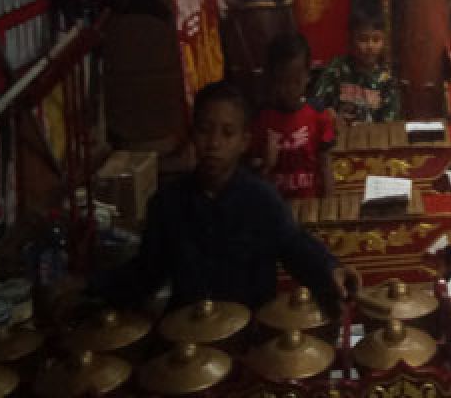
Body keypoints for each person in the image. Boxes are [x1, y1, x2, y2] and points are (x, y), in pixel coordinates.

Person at [89, 81, 347, 312]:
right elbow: (145, 273)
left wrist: (330, 270)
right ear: (192, 134)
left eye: (227, 133)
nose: (214, 143)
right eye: (204, 130)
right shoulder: (168, 203)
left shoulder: (261, 200)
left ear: (244, 141)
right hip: (188, 338)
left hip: (249, 335)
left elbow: (295, 246)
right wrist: (91, 291)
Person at [256, 32, 336, 200]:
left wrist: (329, 201)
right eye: (283, 82)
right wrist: (267, 163)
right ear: (272, 78)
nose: (290, 89)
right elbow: (254, 180)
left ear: (308, 76)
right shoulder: (261, 119)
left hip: (310, 203)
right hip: (275, 206)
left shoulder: (318, 114)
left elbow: (325, 163)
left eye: (296, 81)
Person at [311, 13, 400, 125]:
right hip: (338, 135)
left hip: (373, 139)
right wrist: (330, 115)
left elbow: (390, 122)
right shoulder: (337, 68)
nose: (370, 46)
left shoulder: (387, 80)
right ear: (351, 41)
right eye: (363, 39)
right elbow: (315, 102)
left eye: (376, 40)